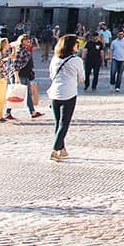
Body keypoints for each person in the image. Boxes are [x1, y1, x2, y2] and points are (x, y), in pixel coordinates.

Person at [46, 33, 85, 161]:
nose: (77, 46)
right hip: (69, 94)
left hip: (55, 93)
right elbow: (81, 79)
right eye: (76, 44)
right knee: (64, 123)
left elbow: (51, 75)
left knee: (58, 123)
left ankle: (62, 150)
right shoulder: (76, 60)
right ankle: (55, 149)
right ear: (72, 46)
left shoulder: (55, 59)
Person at [14, 36, 44, 119]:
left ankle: (32, 112)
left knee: (26, 94)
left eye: (29, 40)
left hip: (26, 74)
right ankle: (7, 112)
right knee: (17, 93)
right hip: (21, 75)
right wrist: (17, 77)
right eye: (27, 40)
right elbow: (15, 65)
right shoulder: (20, 51)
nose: (29, 41)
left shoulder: (26, 49)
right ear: (22, 41)